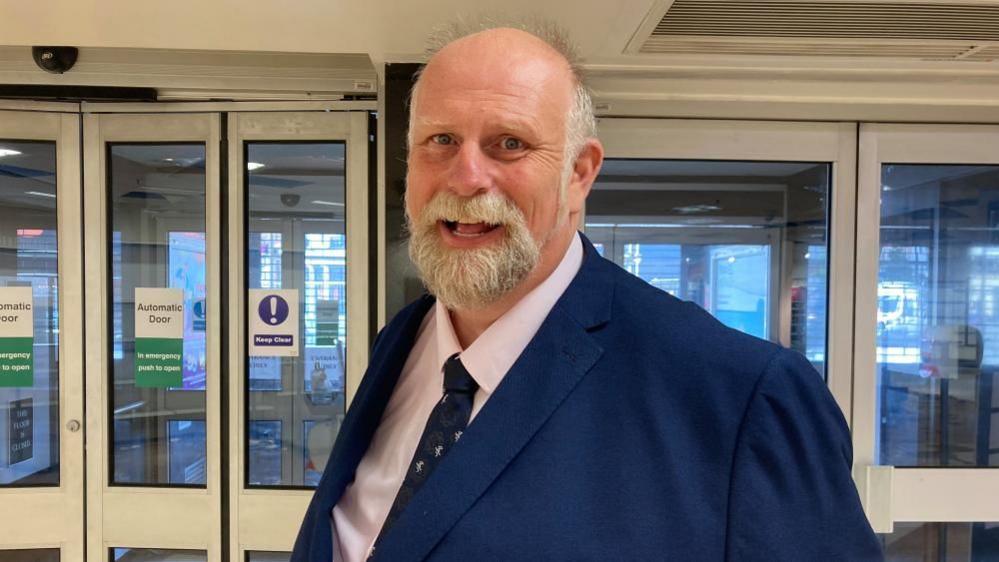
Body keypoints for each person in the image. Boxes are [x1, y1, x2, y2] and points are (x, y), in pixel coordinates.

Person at [292, 21, 883, 562]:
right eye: (441, 140)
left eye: (509, 144)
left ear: (579, 174)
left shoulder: (739, 397)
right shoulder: (403, 340)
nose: (466, 176)